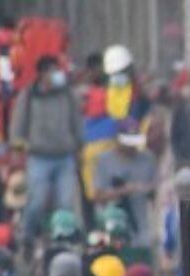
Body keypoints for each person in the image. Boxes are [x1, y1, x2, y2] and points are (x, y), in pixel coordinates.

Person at [11, 56, 84, 243]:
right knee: (36, 202)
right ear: (42, 74)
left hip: (64, 157)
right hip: (38, 157)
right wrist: (16, 151)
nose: (56, 74)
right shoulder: (29, 95)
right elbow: (18, 125)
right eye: (51, 70)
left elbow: (77, 121)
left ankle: (62, 241)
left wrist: (79, 146)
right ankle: (27, 238)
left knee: (65, 204)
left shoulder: (68, 94)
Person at [92, 119, 156, 250]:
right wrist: (123, 190)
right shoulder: (104, 160)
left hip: (142, 223)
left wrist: (148, 189)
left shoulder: (147, 159)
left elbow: (155, 190)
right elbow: (98, 196)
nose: (132, 147)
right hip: (113, 222)